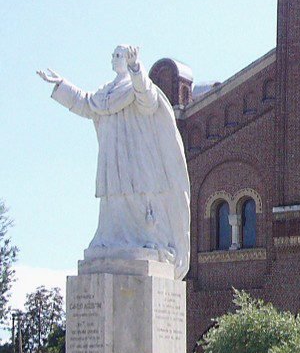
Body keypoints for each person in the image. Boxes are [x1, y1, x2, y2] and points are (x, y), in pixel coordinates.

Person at [37, 45, 191, 279]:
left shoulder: (136, 86)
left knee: (138, 198)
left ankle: (148, 241)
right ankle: (109, 240)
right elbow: (86, 104)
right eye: (114, 55)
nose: (115, 58)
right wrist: (61, 85)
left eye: (120, 55)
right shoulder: (105, 92)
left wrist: (137, 69)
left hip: (135, 159)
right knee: (113, 200)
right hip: (111, 158)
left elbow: (148, 101)